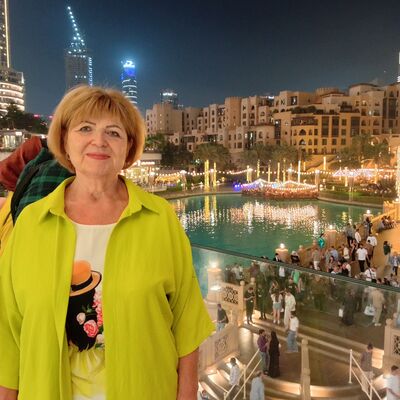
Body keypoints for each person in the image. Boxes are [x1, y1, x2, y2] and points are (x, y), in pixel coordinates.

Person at [0, 86, 214, 400]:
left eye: (113, 132)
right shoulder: (32, 223)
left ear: (128, 148)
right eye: (85, 128)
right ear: (65, 140)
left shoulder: (160, 219)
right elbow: (8, 332)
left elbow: (186, 325)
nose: (99, 141)